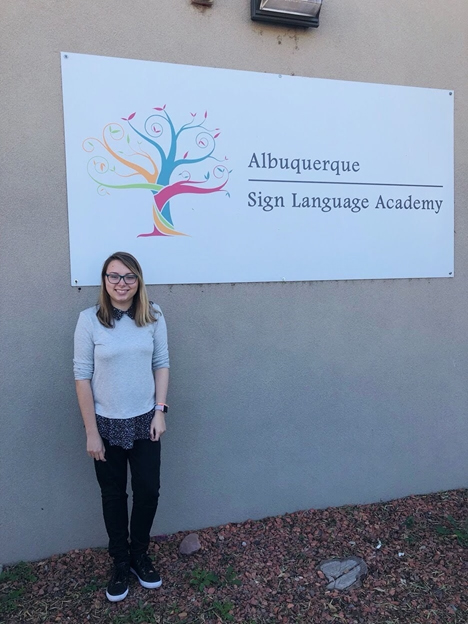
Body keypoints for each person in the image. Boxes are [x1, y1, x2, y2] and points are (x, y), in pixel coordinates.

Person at [73, 251, 170, 603]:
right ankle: (120, 560)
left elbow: (161, 364)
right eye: (114, 276)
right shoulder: (89, 320)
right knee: (113, 496)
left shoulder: (154, 316)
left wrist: (160, 410)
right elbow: (82, 378)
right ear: (104, 280)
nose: (121, 283)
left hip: (146, 421)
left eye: (129, 277)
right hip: (105, 424)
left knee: (148, 491)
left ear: (139, 281)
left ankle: (139, 554)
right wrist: (91, 432)